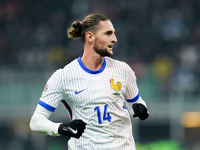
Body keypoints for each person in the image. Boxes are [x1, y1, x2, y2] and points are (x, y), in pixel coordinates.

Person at [30, 13, 149, 150]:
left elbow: (135, 102)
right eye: (108, 33)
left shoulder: (123, 69)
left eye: (114, 34)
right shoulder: (63, 76)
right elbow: (36, 122)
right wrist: (62, 128)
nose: (115, 39)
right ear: (90, 37)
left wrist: (141, 107)